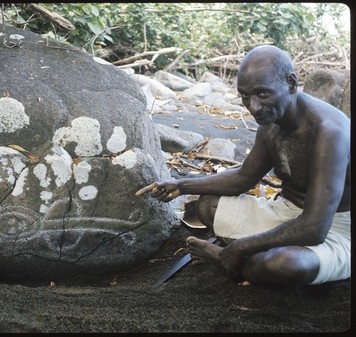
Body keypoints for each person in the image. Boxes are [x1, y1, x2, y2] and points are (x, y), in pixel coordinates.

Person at [136, 45, 351, 287]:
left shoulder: (329, 132)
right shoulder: (271, 121)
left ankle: (229, 259)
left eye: (262, 94)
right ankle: (249, 261)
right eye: (245, 96)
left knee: (282, 265)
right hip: (285, 213)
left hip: (334, 231)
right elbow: (244, 177)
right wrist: (181, 185)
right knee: (207, 204)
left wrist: (240, 247)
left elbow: (314, 228)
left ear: (291, 83)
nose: (252, 107)